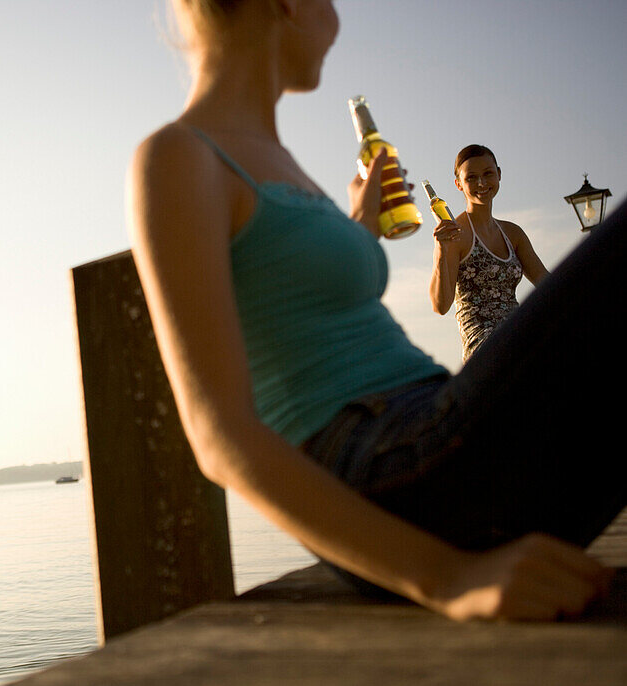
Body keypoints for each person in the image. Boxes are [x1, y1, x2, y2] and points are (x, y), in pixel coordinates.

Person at [127, 0, 624, 622]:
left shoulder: (274, 159)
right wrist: (448, 578)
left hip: (435, 432)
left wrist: (359, 217)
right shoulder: (178, 156)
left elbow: (315, 296)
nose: (337, 19)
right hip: (396, 468)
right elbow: (218, 436)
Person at [430, 145, 549, 361]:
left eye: (488, 174)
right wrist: (441, 249)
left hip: (518, 332)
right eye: (472, 178)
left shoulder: (513, 234)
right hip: (485, 348)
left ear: (499, 174)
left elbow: (549, 284)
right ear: (459, 184)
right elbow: (440, 306)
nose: (482, 183)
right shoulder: (456, 235)